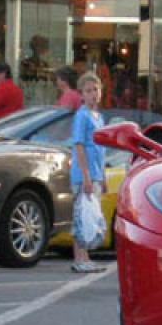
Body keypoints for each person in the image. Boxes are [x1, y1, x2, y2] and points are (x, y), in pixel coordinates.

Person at [69, 73, 106, 273]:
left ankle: (86, 256)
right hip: (84, 176)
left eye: (96, 90)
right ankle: (79, 257)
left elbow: (101, 149)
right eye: (88, 91)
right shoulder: (81, 115)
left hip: (96, 174)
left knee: (91, 217)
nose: (93, 94)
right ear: (81, 95)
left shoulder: (100, 118)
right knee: (81, 215)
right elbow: (80, 146)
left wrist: (103, 176)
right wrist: (86, 177)